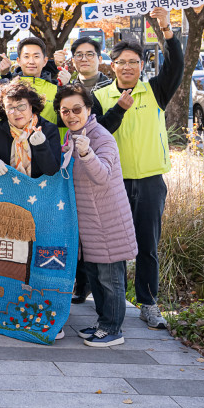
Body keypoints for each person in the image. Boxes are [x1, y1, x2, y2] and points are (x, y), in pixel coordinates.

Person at [94, 6, 182, 330]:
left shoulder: (155, 91)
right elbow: (96, 130)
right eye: (122, 62)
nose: (128, 66)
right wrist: (118, 108)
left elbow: (177, 66)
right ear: (112, 65)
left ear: (141, 65)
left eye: (134, 61)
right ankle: (111, 303)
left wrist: (167, 29)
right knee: (112, 247)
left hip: (149, 182)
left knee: (148, 246)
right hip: (112, 183)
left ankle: (148, 303)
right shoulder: (100, 95)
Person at [55, 83, 137, 347]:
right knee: (96, 276)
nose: (71, 115)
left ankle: (113, 329)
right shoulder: (72, 136)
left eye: (76, 109)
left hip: (108, 223)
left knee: (110, 279)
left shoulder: (101, 137)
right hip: (91, 223)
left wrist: (86, 152)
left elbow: (102, 175)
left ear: (88, 109)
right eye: (65, 111)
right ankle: (103, 323)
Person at [0, 80, 62, 179]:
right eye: (10, 108)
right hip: (6, 188)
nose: (17, 113)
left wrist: (41, 146)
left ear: (31, 106)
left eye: (21, 106)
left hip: (38, 189)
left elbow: (52, 171)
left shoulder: (49, 129)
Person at [0, 37, 61, 124]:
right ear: (19, 61)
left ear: (45, 61)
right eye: (26, 56)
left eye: (36, 56)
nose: (31, 61)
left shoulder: (56, 89)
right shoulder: (8, 88)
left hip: (49, 137)